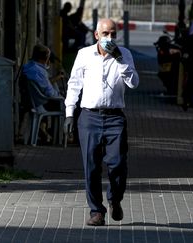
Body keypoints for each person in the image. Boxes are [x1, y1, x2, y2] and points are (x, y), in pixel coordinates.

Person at [63, 18, 139, 226]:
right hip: (89, 116)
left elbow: (133, 83)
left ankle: (115, 199)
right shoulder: (84, 54)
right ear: (97, 35)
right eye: (105, 34)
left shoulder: (125, 54)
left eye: (113, 34)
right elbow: (74, 84)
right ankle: (96, 211)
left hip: (115, 117)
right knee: (92, 166)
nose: (110, 38)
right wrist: (70, 113)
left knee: (118, 163)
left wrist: (120, 59)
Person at [20, 44, 64, 143]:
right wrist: (59, 95)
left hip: (32, 100)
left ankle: (51, 134)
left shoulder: (28, 67)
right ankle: (60, 137)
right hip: (40, 102)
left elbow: (42, 83)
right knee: (65, 105)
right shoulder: (39, 71)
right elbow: (49, 93)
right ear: (44, 58)